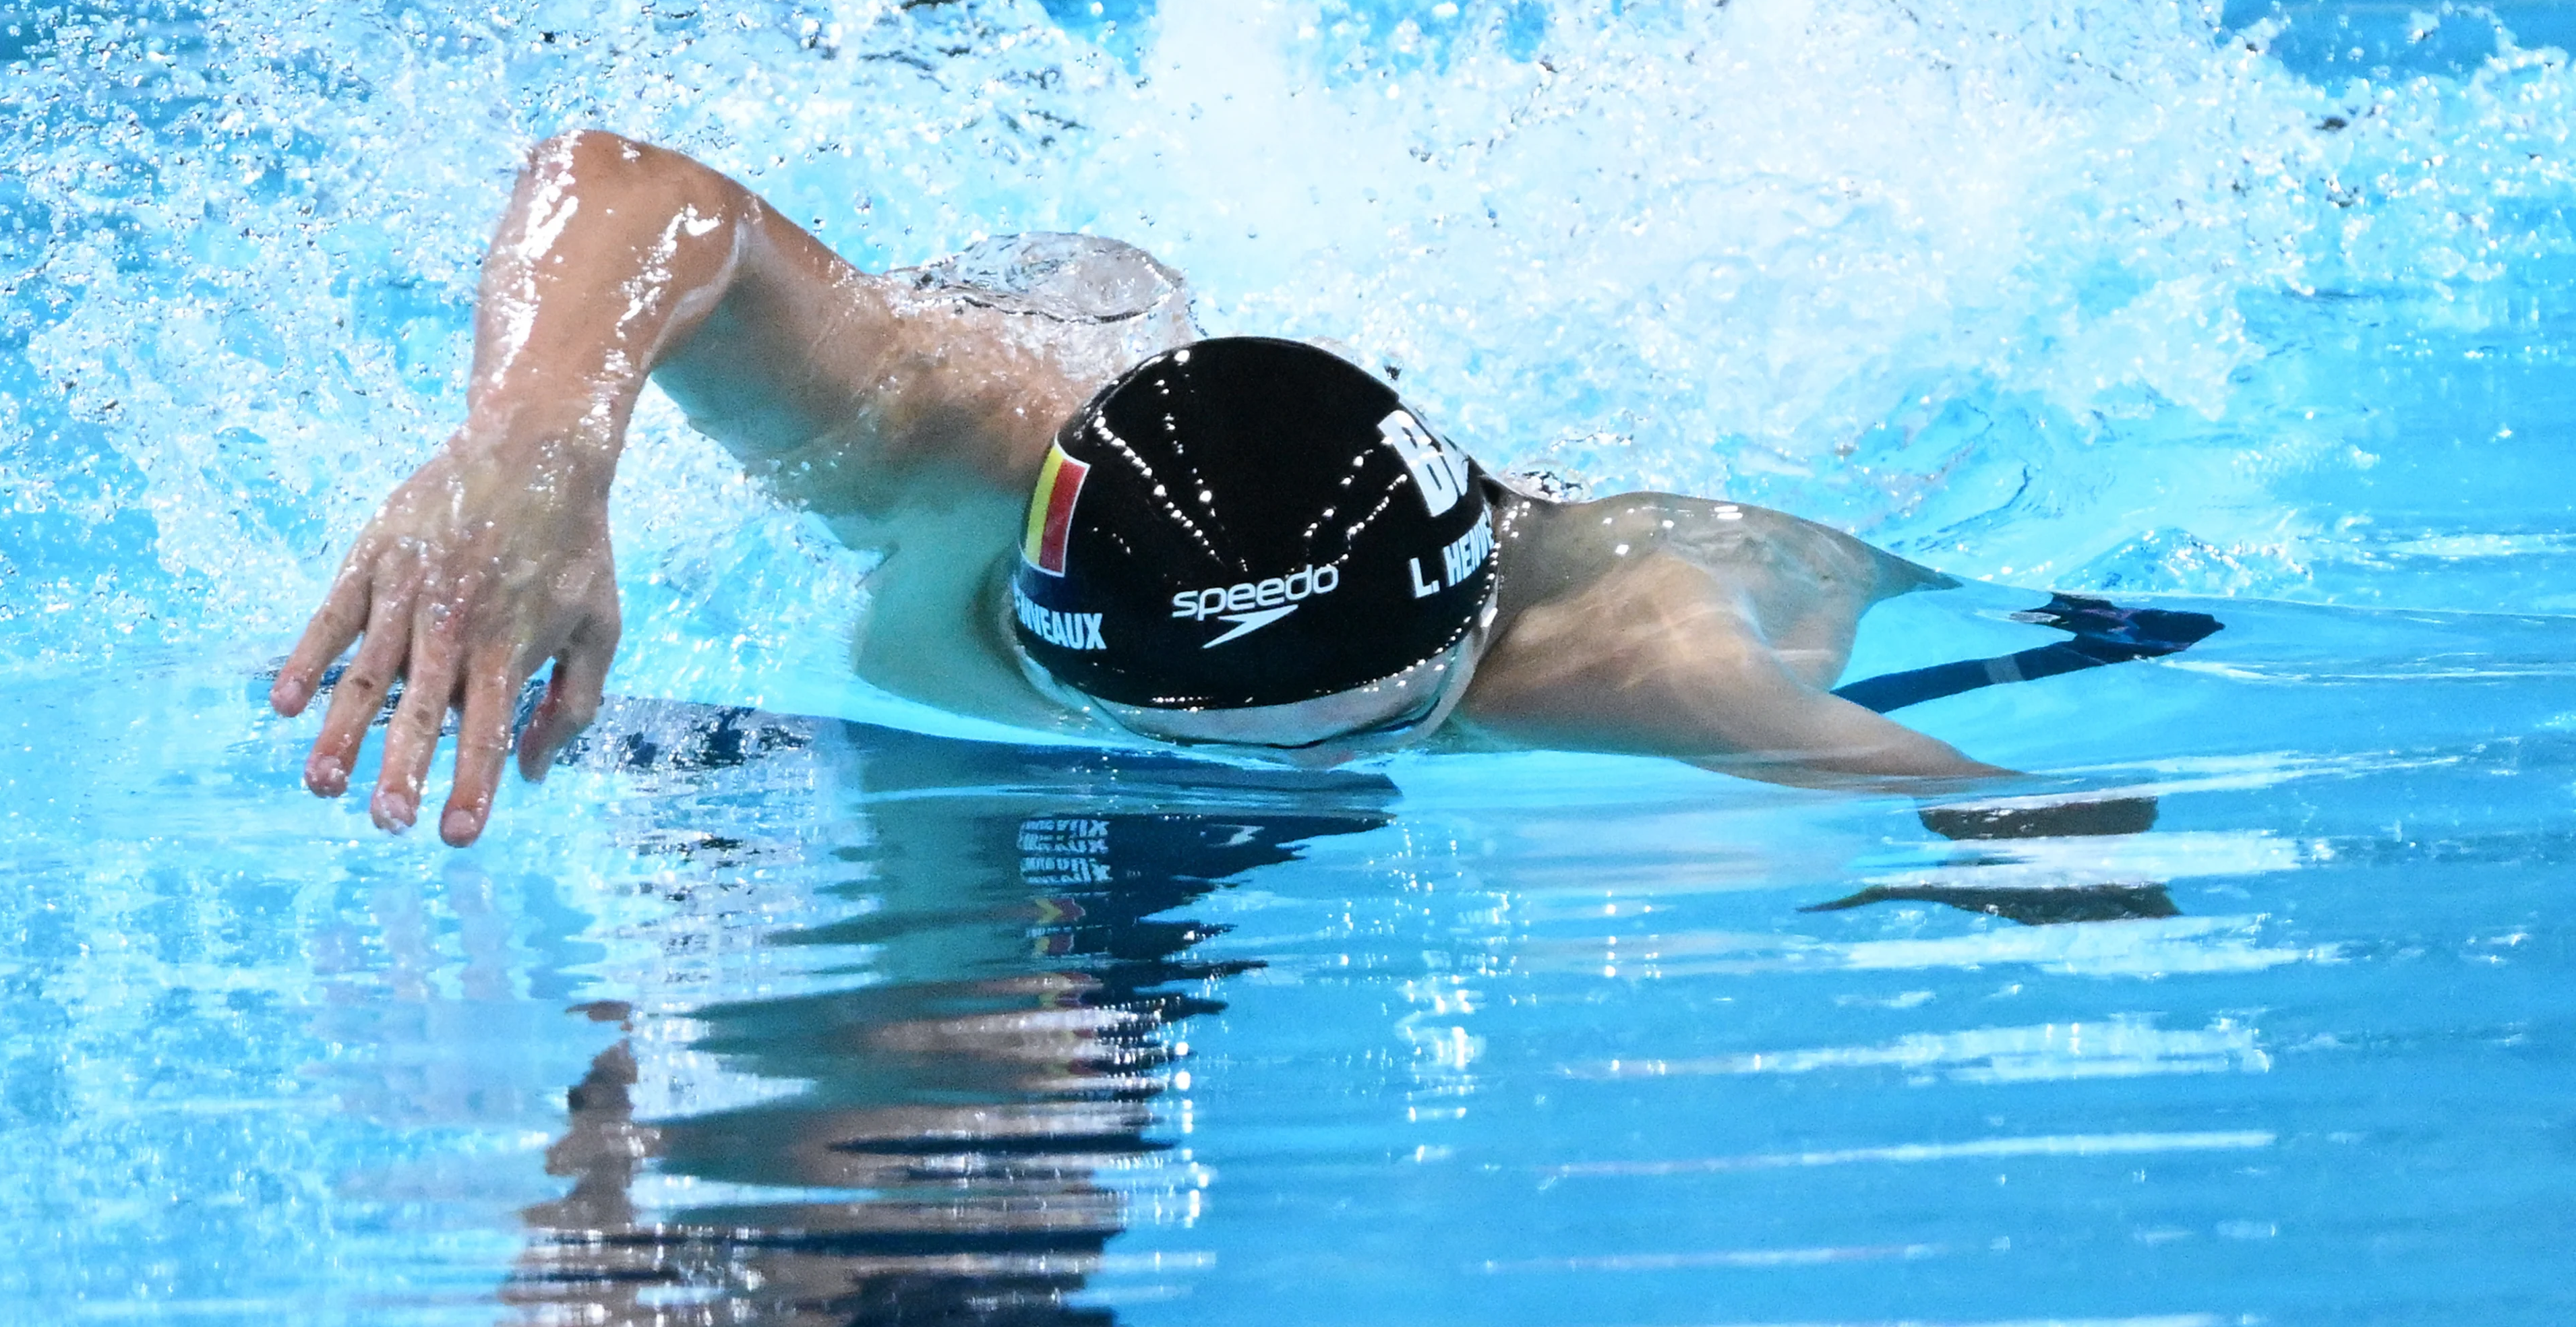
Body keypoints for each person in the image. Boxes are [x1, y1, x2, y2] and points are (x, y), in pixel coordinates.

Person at [270, 131, 2047, 844]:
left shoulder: (1635, 651)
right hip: (1069, 348)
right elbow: (628, 185)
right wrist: (537, 454)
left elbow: (1998, 806)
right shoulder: (962, 450)